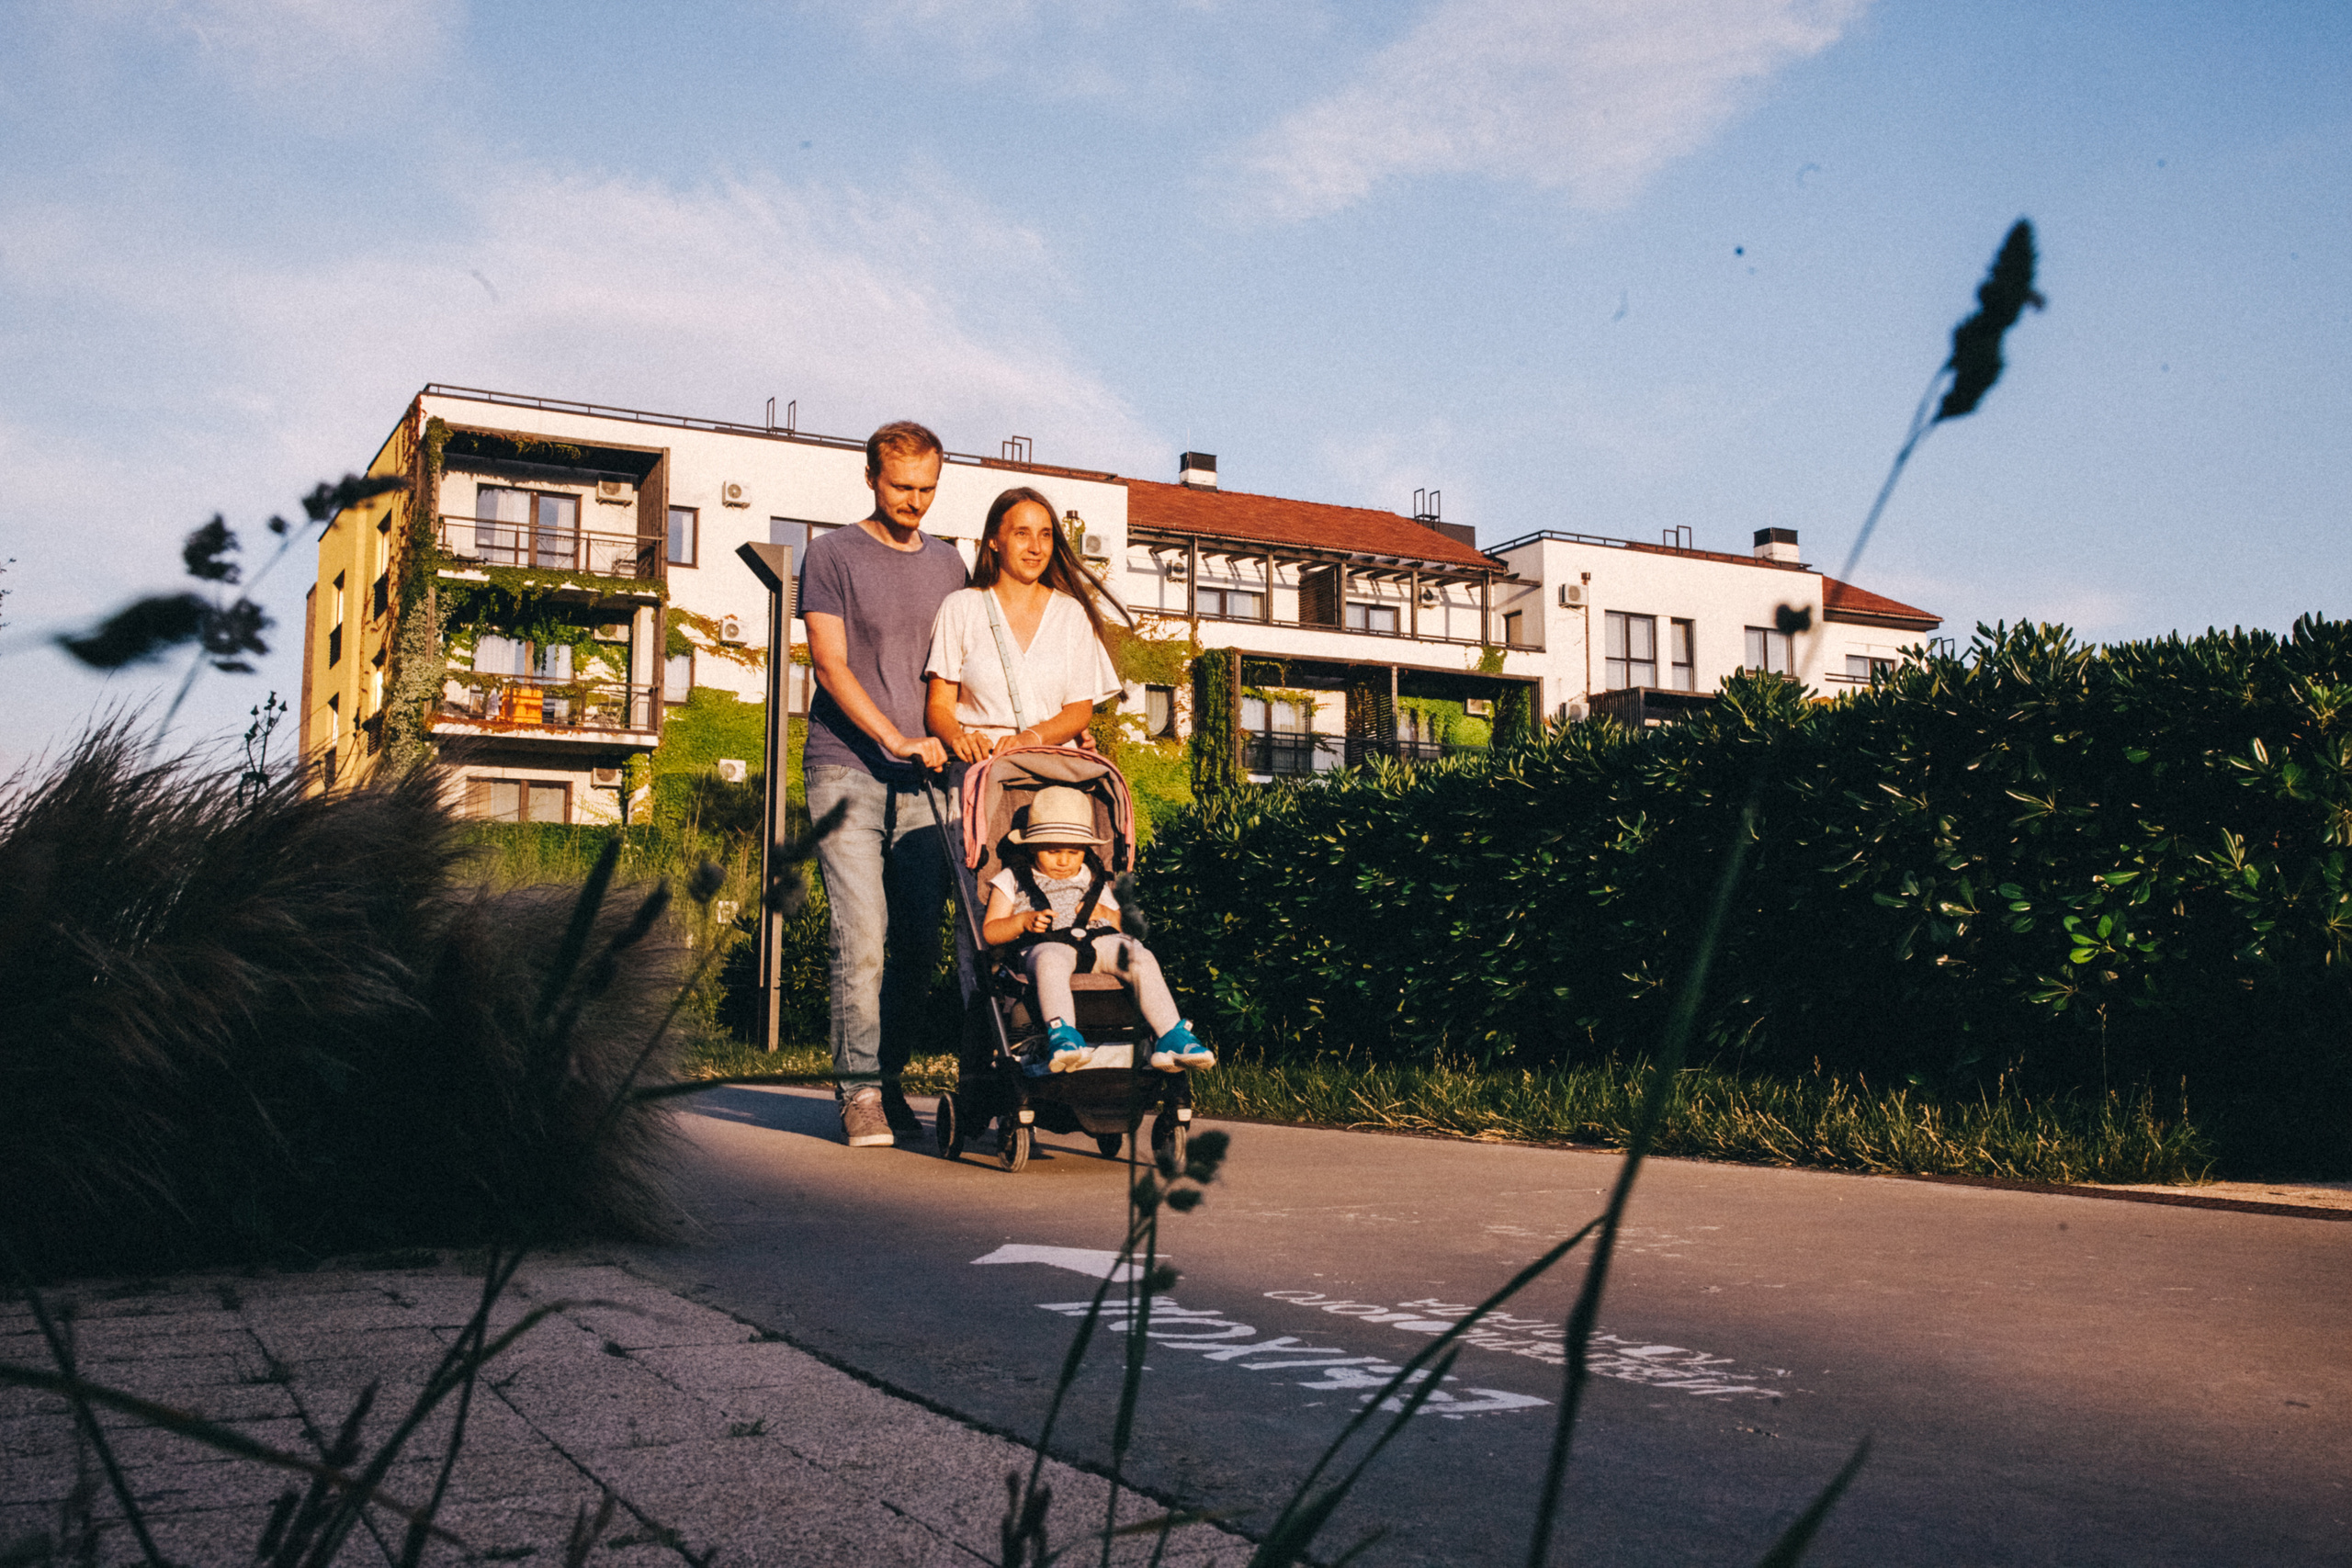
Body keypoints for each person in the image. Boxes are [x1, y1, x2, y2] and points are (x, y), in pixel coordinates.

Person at [799, 421, 968, 1148]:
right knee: (861, 933)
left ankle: (890, 1075)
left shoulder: (952, 565)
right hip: (846, 766)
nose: (916, 502)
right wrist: (891, 735)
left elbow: (966, 669)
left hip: (928, 779)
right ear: (871, 477)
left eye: (929, 488)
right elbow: (830, 666)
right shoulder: (830, 554)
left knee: (919, 946)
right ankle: (859, 1090)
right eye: (903, 487)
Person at [978, 786, 1212, 1073]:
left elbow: (1121, 924)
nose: (1064, 861)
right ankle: (1063, 1036)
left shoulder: (1092, 878)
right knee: (1051, 961)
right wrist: (1022, 921)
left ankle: (1171, 1035)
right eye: (1053, 851)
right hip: (1045, 946)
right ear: (1031, 847)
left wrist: (1104, 912)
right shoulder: (1012, 878)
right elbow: (990, 932)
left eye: (1074, 852)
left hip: (1099, 942)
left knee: (1138, 953)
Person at [923, 486, 1124, 761]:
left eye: (1045, 534)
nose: (1036, 548)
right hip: (981, 773)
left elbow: (1079, 710)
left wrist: (1032, 738)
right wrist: (958, 738)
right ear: (994, 540)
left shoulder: (1070, 614)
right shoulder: (961, 607)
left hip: (1051, 776)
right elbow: (939, 706)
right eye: (1022, 533)